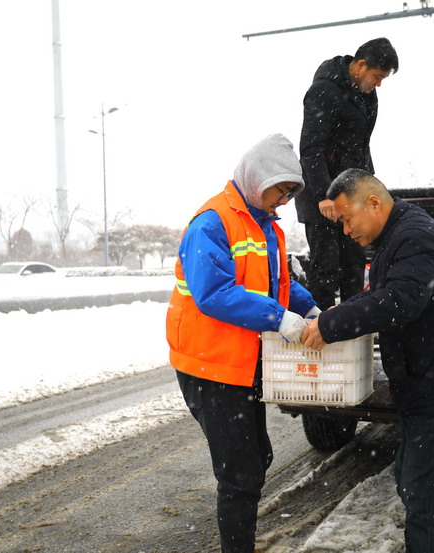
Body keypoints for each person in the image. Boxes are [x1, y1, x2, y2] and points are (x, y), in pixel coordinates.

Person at [301, 169, 434, 553]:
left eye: (347, 219)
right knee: (413, 483)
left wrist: (331, 324)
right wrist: (336, 311)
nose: (345, 231)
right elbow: (383, 292)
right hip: (424, 386)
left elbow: (400, 301)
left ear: (373, 203)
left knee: (427, 502)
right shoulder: (397, 235)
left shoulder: (414, 237)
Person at [166, 133, 319, 553]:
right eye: (281, 190)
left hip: (241, 363)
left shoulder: (265, 225)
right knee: (240, 472)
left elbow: (276, 283)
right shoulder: (211, 223)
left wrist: (310, 309)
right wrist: (279, 318)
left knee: (257, 458)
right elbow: (213, 293)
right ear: (259, 178)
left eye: (290, 194)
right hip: (209, 365)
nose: (284, 201)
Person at [296, 37, 399, 310]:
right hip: (323, 197)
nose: (378, 84)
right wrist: (325, 195)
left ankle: (353, 327)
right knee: (326, 268)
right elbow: (311, 148)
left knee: (354, 263)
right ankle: (322, 328)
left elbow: (361, 147)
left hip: (353, 195)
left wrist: (370, 188)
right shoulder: (323, 90)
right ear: (361, 65)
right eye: (377, 77)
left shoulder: (368, 97)